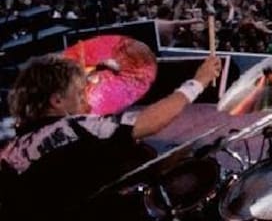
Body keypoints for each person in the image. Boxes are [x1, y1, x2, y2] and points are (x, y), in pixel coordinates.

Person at [0, 51, 222, 221]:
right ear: (57, 101)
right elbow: (150, 121)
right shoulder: (74, 127)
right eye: (79, 94)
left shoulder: (8, 154)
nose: (85, 102)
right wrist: (198, 82)